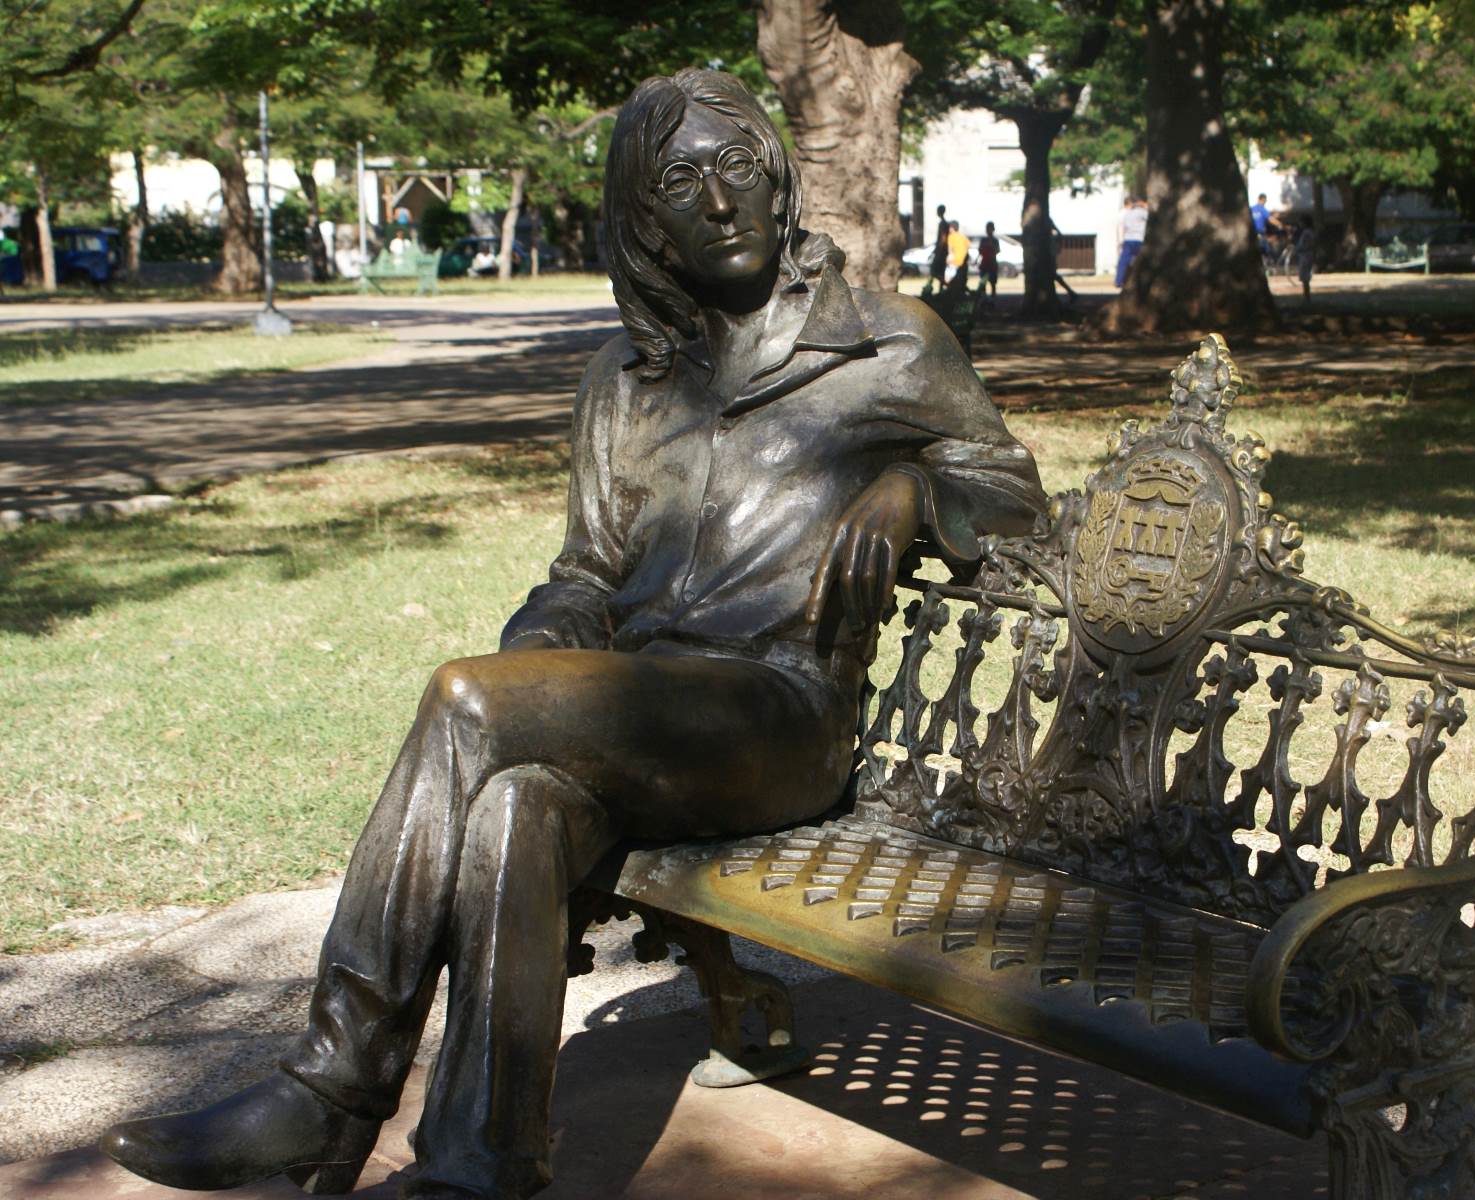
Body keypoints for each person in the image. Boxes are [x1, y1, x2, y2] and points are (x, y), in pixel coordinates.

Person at [99, 67, 1045, 1200]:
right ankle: (477, 1167)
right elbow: (584, 576)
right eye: (680, 180)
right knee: (515, 806)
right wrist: (544, 657)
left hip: (776, 716)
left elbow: (1013, 493)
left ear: (778, 176)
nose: (719, 200)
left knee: (467, 702)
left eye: (737, 164)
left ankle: (329, 1089)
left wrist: (913, 491)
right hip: (634, 714)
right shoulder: (626, 381)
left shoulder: (886, 343)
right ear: (643, 219)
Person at [1115, 196, 1147, 288]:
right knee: (1140, 261)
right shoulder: (1142, 213)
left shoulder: (1126, 213)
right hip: (1139, 239)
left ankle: (1119, 280)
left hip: (1128, 239)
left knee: (1124, 261)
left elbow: (1122, 227)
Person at [1293, 213, 1318, 301]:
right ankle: (1306, 295)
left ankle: (1307, 296)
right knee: (1304, 277)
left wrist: (1298, 249)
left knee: (1305, 277)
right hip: (1305, 255)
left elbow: (1307, 244)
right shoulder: (1308, 232)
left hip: (1306, 255)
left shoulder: (1307, 233)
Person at [976, 221, 1001, 296]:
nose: (988, 230)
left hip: (992, 263)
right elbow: (980, 251)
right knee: (983, 283)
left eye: (990, 229)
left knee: (993, 283)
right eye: (987, 229)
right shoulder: (983, 240)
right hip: (985, 263)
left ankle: (992, 299)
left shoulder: (995, 240)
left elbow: (997, 250)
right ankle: (984, 299)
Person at [929, 203, 949, 285]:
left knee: (934, 271)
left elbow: (943, 238)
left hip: (941, 252)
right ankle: (942, 288)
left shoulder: (943, 224)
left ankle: (947, 285)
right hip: (942, 251)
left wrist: (939, 250)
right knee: (941, 272)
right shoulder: (944, 223)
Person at [945, 219, 971, 284]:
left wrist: (948, 260)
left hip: (954, 261)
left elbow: (950, 250)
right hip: (962, 262)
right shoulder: (963, 237)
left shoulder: (951, 236)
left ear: (952, 228)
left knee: (947, 280)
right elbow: (968, 246)